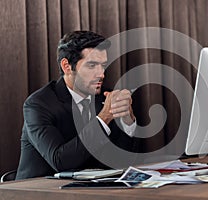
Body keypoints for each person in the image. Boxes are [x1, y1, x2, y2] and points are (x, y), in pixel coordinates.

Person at [16, 30, 137, 180]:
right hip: (38, 191)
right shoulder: (38, 104)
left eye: (103, 65)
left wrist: (127, 121)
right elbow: (60, 161)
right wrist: (104, 118)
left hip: (92, 191)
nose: (101, 74)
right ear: (67, 66)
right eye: (92, 66)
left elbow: (121, 160)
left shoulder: (104, 97)